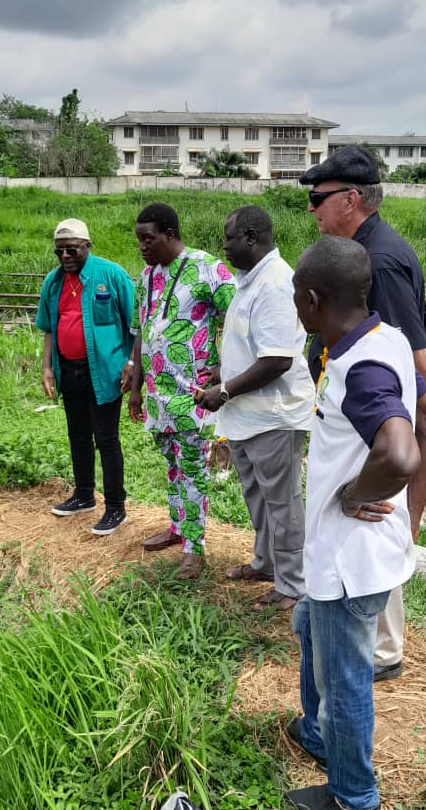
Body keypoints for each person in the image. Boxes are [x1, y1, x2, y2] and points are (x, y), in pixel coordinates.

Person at [286, 235, 420, 810]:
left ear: (314, 300)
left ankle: (353, 796)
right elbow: (425, 414)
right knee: (307, 626)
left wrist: (355, 492)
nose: (296, 306)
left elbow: (399, 453)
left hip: (349, 559)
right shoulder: (381, 338)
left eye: (297, 296)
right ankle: (318, 733)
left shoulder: (360, 367)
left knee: (344, 680)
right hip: (340, 553)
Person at [299, 146, 426, 682]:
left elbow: (418, 367)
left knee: (372, 537)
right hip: (366, 425)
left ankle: (379, 653)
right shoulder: (363, 252)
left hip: (379, 437)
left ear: (351, 199)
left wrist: (398, 501)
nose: (312, 209)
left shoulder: (377, 262)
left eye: (319, 198)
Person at [196, 206, 314, 611]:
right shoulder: (250, 280)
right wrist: (223, 370)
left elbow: (277, 359)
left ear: (251, 237)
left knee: (282, 503)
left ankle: (292, 584)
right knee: (258, 497)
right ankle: (266, 564)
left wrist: (226, 390)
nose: (224, 246)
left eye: (229, 238)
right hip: (249, 416)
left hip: (273, 417)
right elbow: (254, 345)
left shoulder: (276, 284)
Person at [123, 203, 235, 579]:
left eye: (148, 238)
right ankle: (177, 528)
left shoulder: (207, 269)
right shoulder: (146, 277)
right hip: (158, 395)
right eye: (139, 239)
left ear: (169, 234)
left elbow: (241, 318)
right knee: (172, 466)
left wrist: (224, 368)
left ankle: (194, 547)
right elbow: (141, 334)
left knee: (193, 469)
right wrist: (136, 389)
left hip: (194, 395)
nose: (142, 246)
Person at [35, 217, 134, 536]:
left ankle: (116, 507)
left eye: (71, 250)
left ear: (87, 246)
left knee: (106, 438)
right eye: (59, 251)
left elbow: (136, 324)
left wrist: (132, 363)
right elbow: (49, 328)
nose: (65, 256)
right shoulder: (53, 282)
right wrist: (47, 367)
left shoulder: (111, 275)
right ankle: (83, 495)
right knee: (77, 435)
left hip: (105, 372)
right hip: (69, 370)